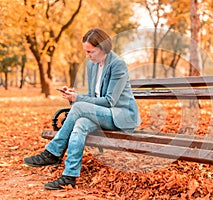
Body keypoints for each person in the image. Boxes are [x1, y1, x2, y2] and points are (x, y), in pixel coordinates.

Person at [24, 28, 141, 190]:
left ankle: (52, 153)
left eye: (90, 51)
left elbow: (109, 101)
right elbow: (94, 95)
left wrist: (77, 99)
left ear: (103, 47)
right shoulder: (92, 66)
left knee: (79, 107)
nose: (88, 56)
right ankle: (69, 176)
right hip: (103, 114)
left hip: (121, 116)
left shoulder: (117, 65)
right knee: (80, 125)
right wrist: (74, 95)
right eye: (86, 52)